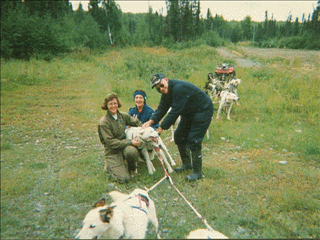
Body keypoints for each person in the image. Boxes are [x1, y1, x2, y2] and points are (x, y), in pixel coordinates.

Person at [142, 73, 214, 182]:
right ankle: (187, 164)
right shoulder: (165, 94)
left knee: (194, 139)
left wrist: (161, 128)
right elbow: (162, 109)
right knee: (179, 136)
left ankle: (197, 172)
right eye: (158, 89)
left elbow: (175, 111)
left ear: (166, 80)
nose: (161, 89)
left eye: (161, 85)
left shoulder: (179, 89)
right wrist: (151, 121)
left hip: (202, 110)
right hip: (189, 111)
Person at [98, 93, 142, 183]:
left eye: (115, 103)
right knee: (124, 179)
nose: (113, 106)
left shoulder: (123, 115)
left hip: (123, 147)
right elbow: (111, 143)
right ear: (106, 105)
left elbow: (136, 122)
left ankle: (131, 169)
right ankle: (109, 165)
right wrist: (130, 142)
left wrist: (144, 130)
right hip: (112, 150)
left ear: (118, 104)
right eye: (110, 104)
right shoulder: (104, 122)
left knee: (131, 151)